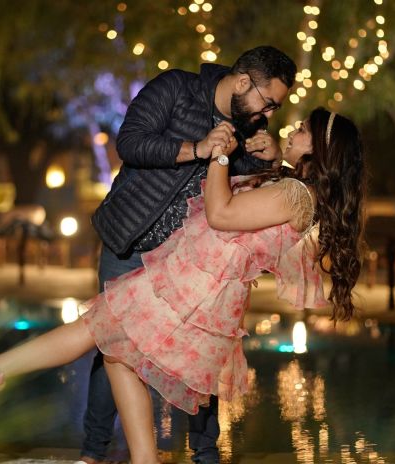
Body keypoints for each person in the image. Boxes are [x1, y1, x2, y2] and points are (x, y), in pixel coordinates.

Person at [0, 107, 367, 464]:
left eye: (303, 131)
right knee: (113, 348)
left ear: (319, 148)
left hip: (196, 286)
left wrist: (219, 156)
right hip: (191, 278)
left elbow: (221, 214)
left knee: (99, 331)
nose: (292, 130)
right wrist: (269, 157)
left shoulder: (296, 194)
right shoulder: (296, 189)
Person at [86, 45, 296, 464]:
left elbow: (235, 191)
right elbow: (131, 143)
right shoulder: (176, 88)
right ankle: (92, 452)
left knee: (201, 356)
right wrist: (197, 147)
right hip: (128, 242)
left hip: (184, 261)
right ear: (242, 83)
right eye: (268, 102)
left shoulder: (246, 125)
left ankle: (205, 455)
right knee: (112, 342)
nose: (268, 114)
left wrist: (271, 161)